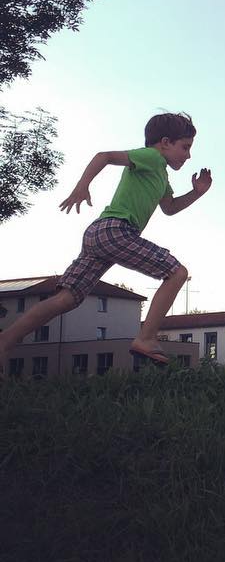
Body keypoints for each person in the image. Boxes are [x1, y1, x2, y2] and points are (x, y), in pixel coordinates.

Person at [0, 112, 212, 374]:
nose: (188, 155)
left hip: (99, 235)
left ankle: (5, 340)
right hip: (116, 230)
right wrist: (82, 186)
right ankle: (145, 338)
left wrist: (196, 193)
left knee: (67, 298)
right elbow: (105, 156)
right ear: (165, 142)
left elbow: (169, 208)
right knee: (177, 273)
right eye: (185, 147)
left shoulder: (161, 176)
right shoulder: (152, 157)